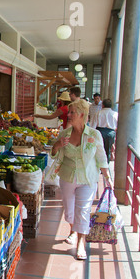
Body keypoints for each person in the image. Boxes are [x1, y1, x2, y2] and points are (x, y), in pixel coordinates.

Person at [48, 99, 113, 260]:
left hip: (87, 178)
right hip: (67, 177)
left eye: (72, 112)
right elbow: (54, 154)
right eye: (69, 112)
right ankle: (72, 230)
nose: (68, 115)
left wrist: (108, 177)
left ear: (82, 115)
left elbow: (101, 157)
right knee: (70, 211)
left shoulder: (94, 134)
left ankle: (80, 242)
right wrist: (57, 145)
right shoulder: (64, 134)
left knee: (83, 210)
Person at [96, 99, 118, 163]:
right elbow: (117, 125)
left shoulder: (98, 113)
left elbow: (93, 125)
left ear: (102, 105)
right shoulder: (115, 114)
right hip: (111, 133)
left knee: (99, 149)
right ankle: (106, 165)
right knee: (108, 150)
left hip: (100, 132)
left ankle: (99, 166)